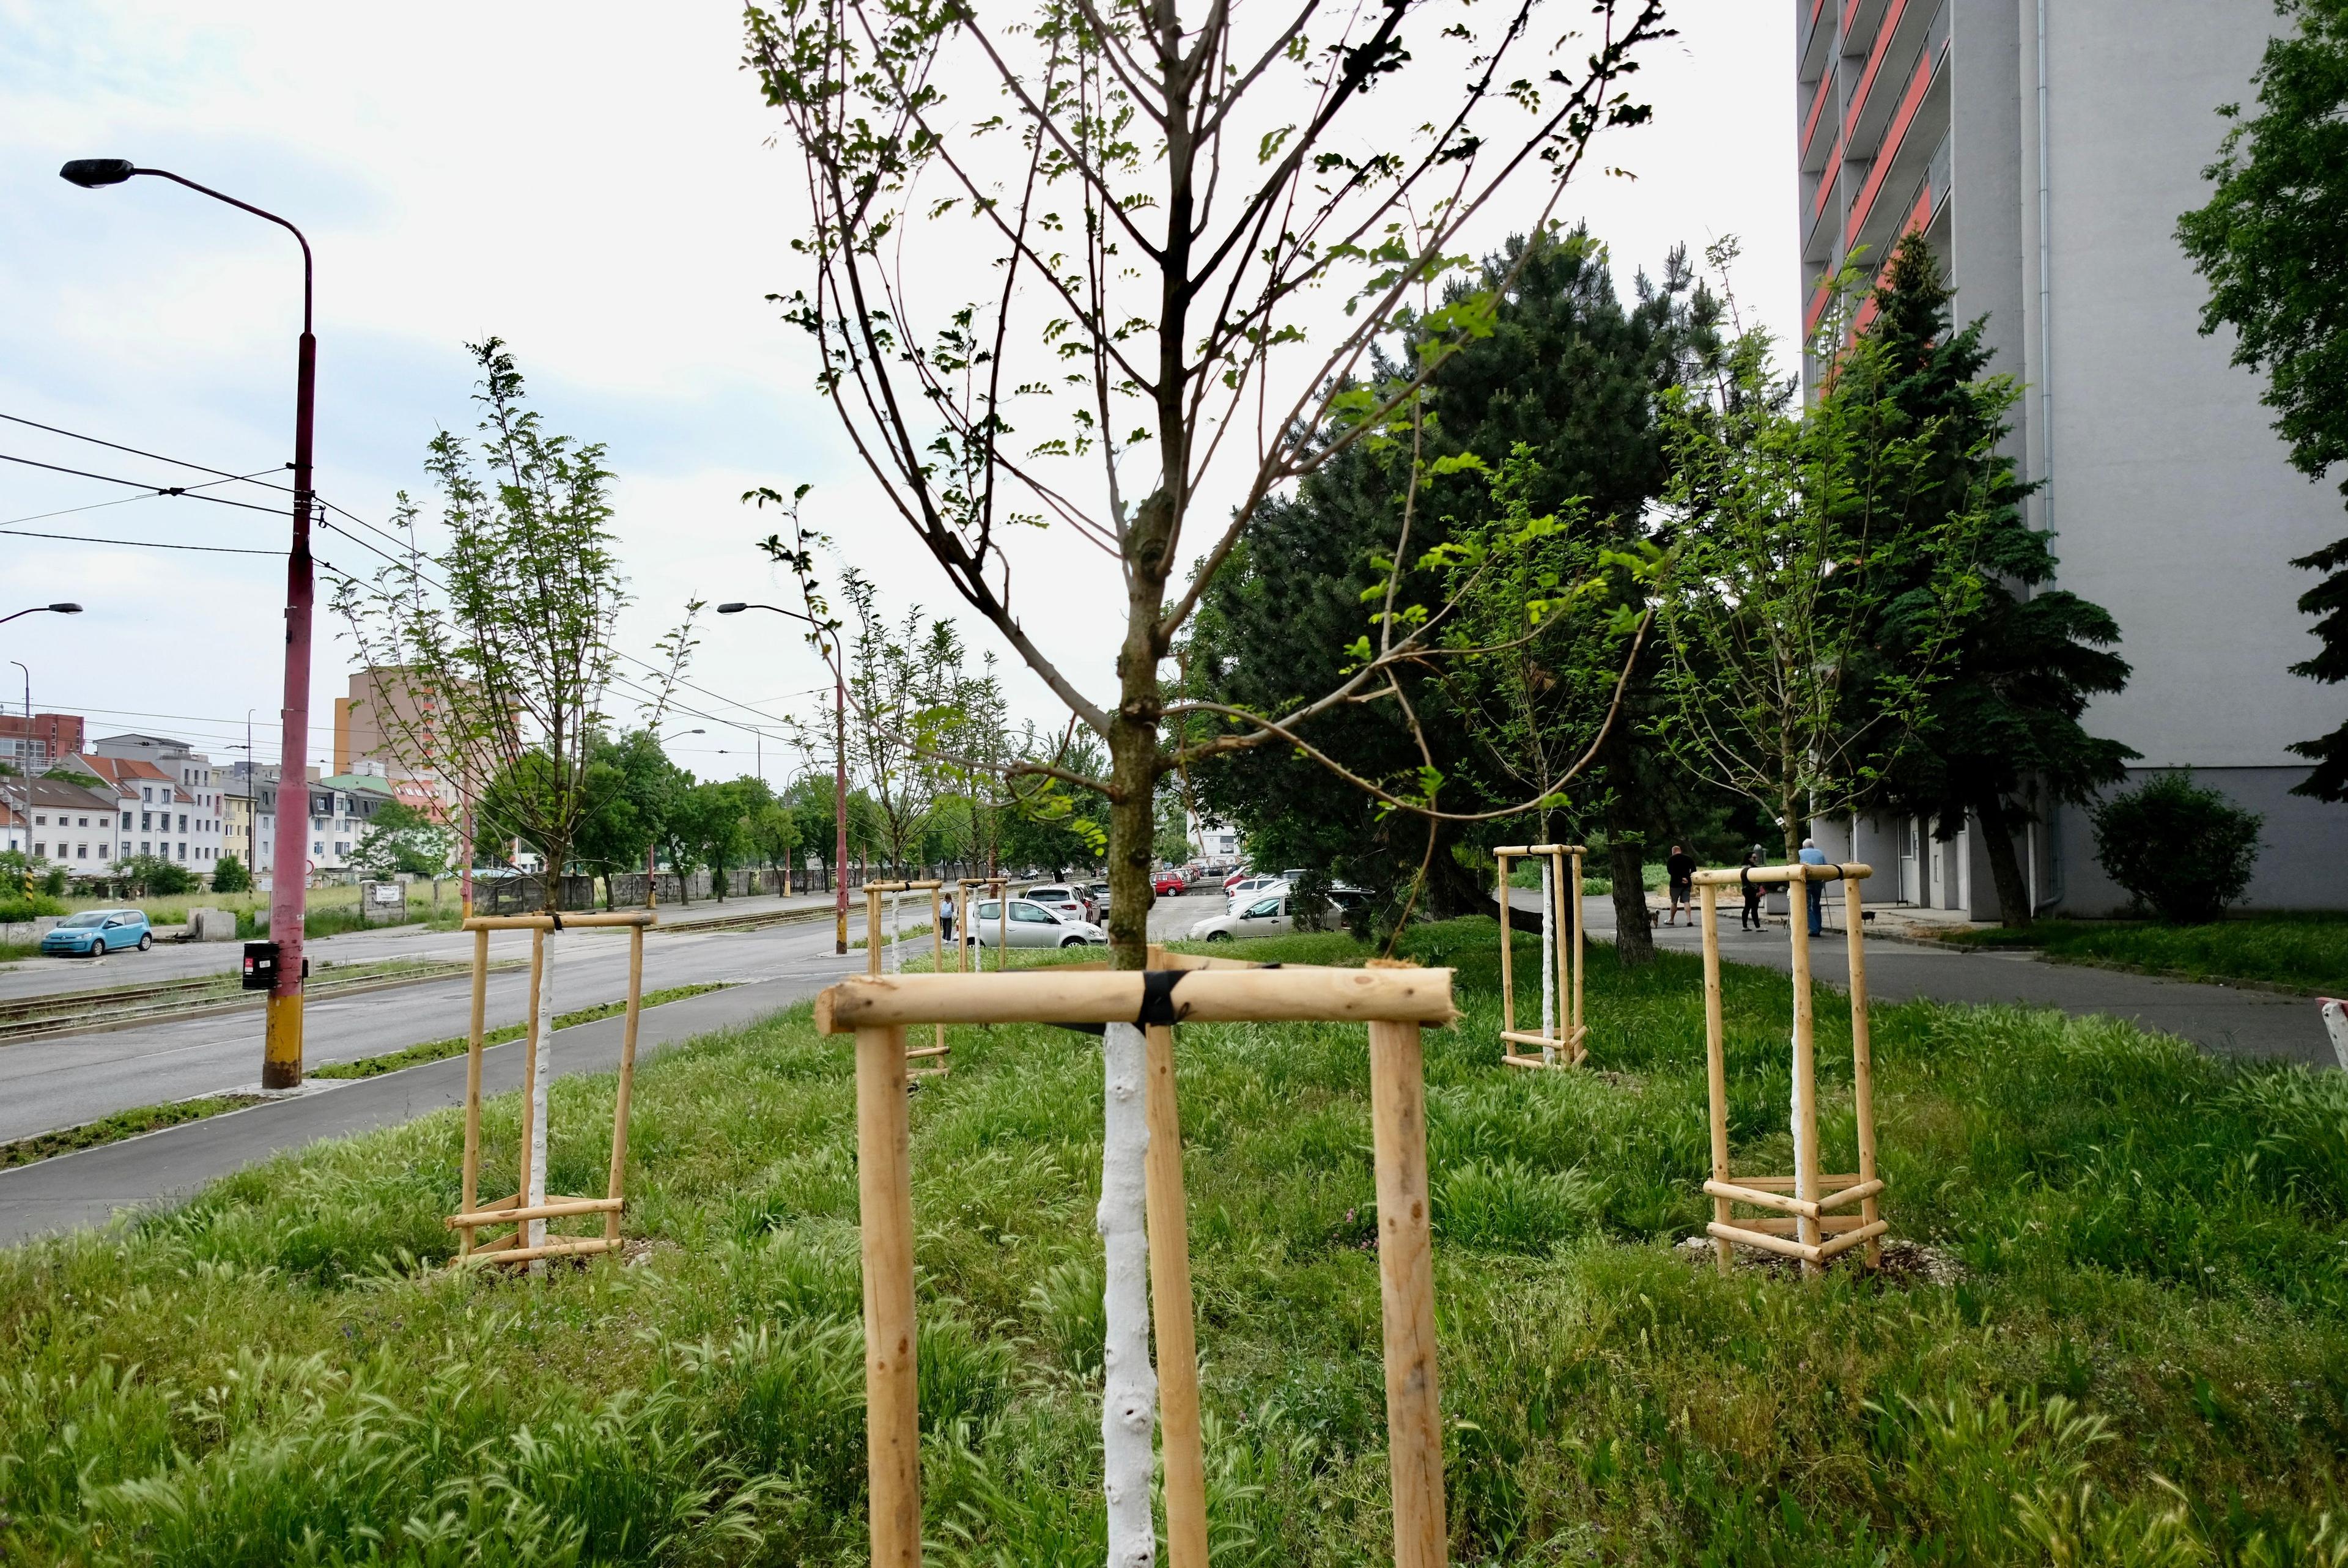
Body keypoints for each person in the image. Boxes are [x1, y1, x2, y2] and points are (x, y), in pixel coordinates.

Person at [1798, 837, 1831, 937]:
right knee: (1816, 904)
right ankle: (1818, 927)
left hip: (1806, 882)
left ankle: (1814, 929)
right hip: (1818, 882)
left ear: (1803, 846)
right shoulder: (1820, 853)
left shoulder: (1800, 853)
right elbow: (1826, 866)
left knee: (1807, 906)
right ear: (1813, 846)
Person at [1664, 843, 1698, 926]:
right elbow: (1694, 870)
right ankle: (1689, 920)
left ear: (1673, 852)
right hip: (1687, 884)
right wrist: (1687, 878)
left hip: (1675, 884)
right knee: (1687, 901)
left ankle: (1671, 920)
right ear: (1680, 851)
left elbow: (1670, 872)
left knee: (1674, 902)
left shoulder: (1671, 859)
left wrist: (1680, 879)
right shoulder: (1688, 858)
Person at [1740, 845, 1766, 931]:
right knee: (1754, 909)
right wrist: (1758, 891)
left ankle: (1745, 926)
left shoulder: (1743, 868)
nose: (1756, 859)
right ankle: (1758, 927)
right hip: (1753, 890)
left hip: (1746, 890)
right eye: (1754, 858)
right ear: (1749, 858)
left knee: (1747, 907)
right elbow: (1755, 882)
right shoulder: (1752, 869)